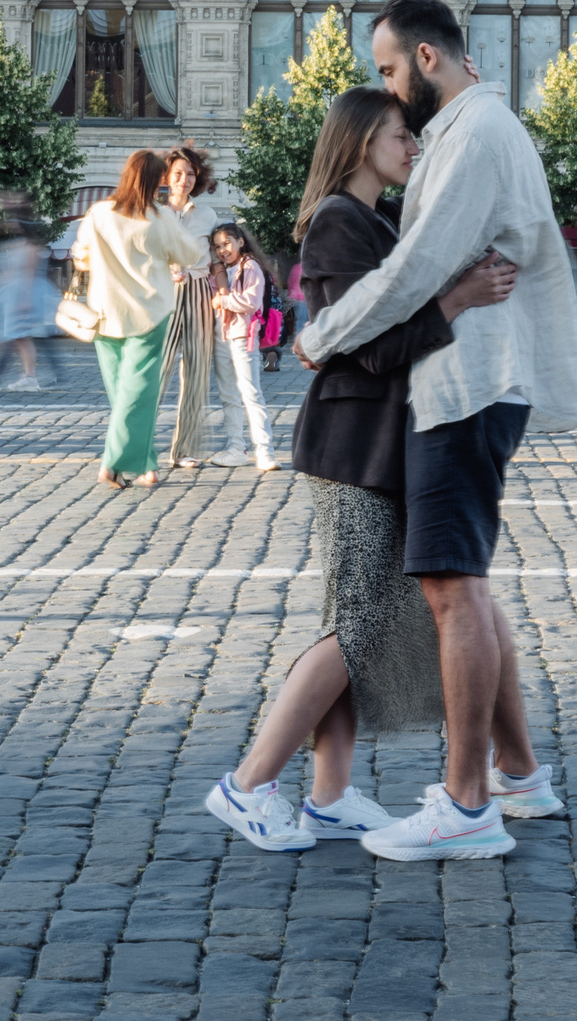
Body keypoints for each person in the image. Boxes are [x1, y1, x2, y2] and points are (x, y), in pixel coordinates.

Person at [297, 0, 577, 865]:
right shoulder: (475, 129)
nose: (384, 86)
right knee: (470, 585)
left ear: (426, 57)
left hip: (465, 384)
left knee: (451, 592)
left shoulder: (473, 134)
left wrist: (319, 334)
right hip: (470, 381)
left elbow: (417, 266)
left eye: (387, 69)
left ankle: (465, 804)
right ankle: (518, 773)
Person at [209, 85, 518, 851]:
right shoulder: (336, 225)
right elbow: (367, 342)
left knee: (351, 623)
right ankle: (247, 783)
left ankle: (331, 793)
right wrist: (457, 301)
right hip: (352, 447)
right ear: (357, 144)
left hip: (382, 443)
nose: (411, 147)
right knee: (359, 627)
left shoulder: (377, 218)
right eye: (397, 136)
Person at [73, 150, 211, 489]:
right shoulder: (159, 218)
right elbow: (190, 255)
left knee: (125, 395)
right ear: (155, 182)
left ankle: (146, 465)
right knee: (137, 395)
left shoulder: (98, 212)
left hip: (104, 314)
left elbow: (80, 257)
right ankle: (111, 463)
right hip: (148, 314)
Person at [155, 145, 224, 470]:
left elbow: (216, 261)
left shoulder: (207, 215)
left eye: (191, 174)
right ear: (167, 176)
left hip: (197, 290)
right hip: (164, 293)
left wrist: (222, 293)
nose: (184, 179)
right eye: (179, 173)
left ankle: (184, 449)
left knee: (196, 371)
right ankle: (139, 445)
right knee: (158, 368)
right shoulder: (154, 212)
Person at [207, 221, 280, 470]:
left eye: (226, 243)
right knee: (228, 395)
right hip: (220, 337)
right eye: (217, 246)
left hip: (242, 336)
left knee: (251, 393)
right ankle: (236, 447)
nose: (222, 250)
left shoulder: (250, 267)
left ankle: (265, 451)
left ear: (240, 241)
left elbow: (251, 301)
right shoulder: (220, 271)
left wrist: (224, 299)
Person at [0, 195, 59, 391]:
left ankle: (30, 377)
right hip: (16, 296)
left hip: (24, 298)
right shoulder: (19, 245)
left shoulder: (30, 247)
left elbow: (30, 274)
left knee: (23, 339)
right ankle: (27, 376)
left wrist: (24, 300)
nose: (11, 227)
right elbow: (12, 273)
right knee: (19, 339)